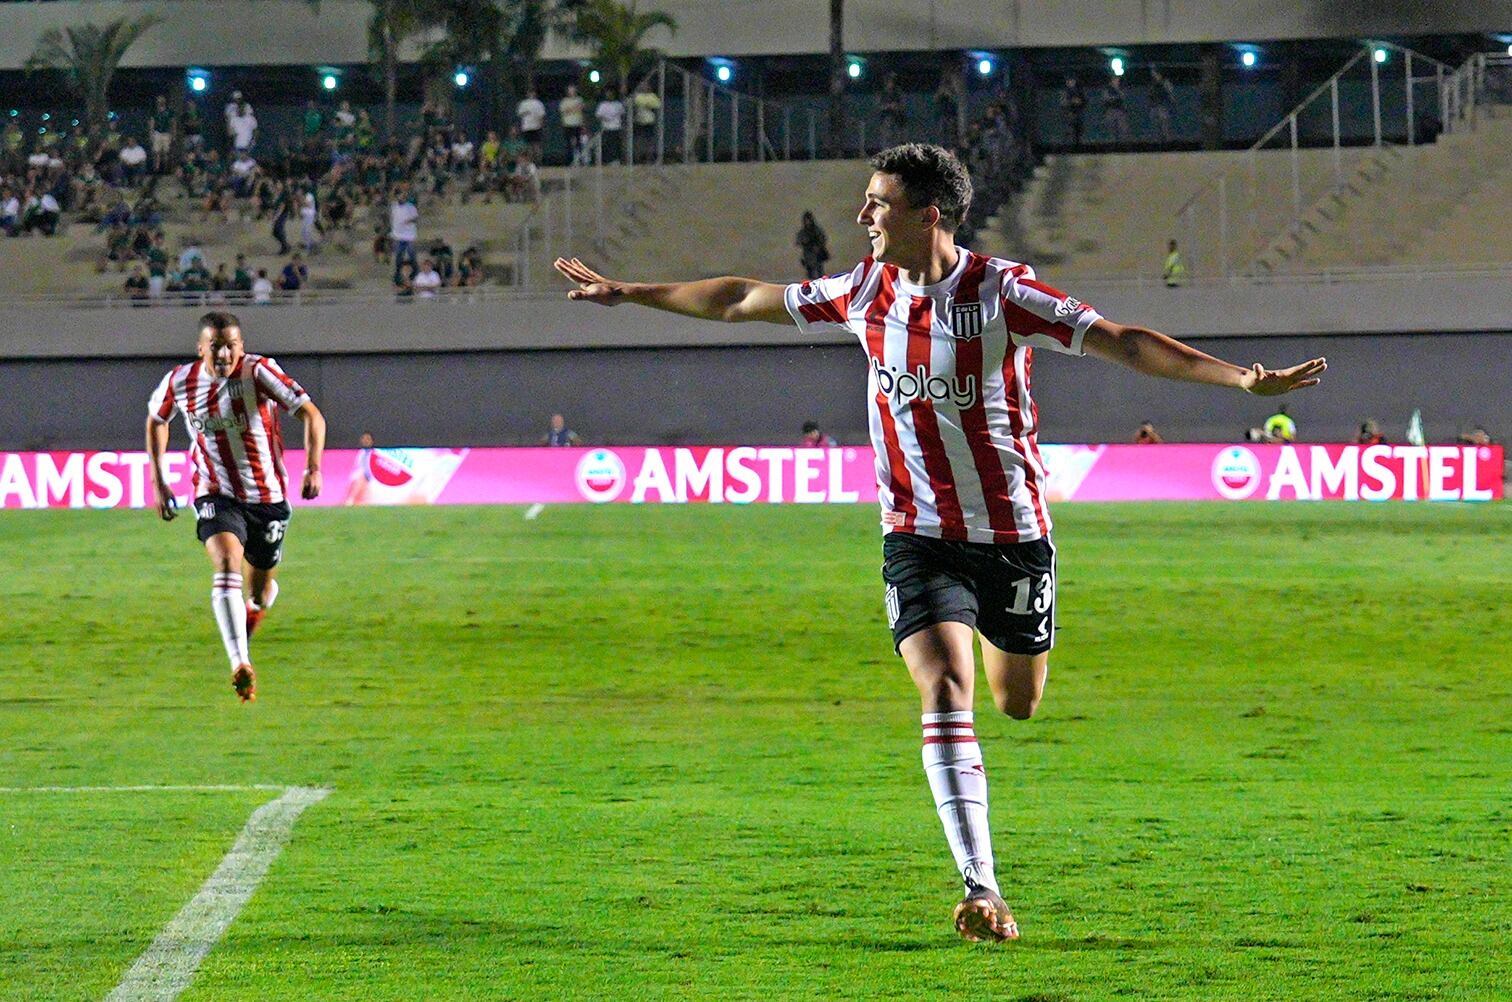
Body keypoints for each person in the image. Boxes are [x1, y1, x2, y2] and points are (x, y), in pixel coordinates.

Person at [552, 142, 1326, 944]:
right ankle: (981, 884)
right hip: (916, 534)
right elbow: (742, 297)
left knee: (1017, 703)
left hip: (1014, 536)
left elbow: (1124, 341)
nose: (862, 217)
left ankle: (991, 794)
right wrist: (632, 291)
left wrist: (1241, 380)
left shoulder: (1005, 294)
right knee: (945, 690)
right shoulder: (861, 290)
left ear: (928, 215)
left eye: (877, 204)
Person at [146, 311, 326, 702]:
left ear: (241, 347)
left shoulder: (260, 373)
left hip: (267, 499)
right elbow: (157, 420)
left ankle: (256, 607)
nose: (225, 354)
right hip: (215, 492)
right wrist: (159, 481)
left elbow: (311, 414)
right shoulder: (180, 381)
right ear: (201, 349)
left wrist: (313, 467)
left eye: (231, 346)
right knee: (227, 561)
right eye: (216, 347)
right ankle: (240, 663)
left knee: (260, 589)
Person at [389, 184, 419, 284]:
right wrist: (395, 189)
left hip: (409, 235)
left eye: (403, 196)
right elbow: (391, 196)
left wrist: (408, 221)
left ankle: (415, 273)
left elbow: (415, 218)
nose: (402, 197)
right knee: (399, 257)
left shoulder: (411, 207)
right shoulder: (394, 206)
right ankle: (398, 276)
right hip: (398, 235)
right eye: (400, 195)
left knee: (411, 255)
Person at [595, 87, 626, 164]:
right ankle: (608, 160)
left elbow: (623, 114)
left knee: (616, 145)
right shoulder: (602, 105)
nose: (609, 95)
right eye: (608, 94)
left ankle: (616, 160)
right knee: (607, 145)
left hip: (616, 127)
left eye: (611, 94)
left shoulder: (618, 104)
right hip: (606, 128)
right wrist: (606, 118)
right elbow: (598, 115)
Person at [796, 211, 830, 280]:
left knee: (819, 272)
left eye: (808, 220)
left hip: (817, 255)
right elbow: (799, 241)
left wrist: (818, 246)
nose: (808, 222)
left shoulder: (816, 230)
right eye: (806, 220)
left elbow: (822, 239)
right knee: (810, 273)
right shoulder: (803, 232)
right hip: (808, 255)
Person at [559, 83, 587, 164]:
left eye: (573, 90)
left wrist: (583, 124)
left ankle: (581, 160)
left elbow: (582, 111)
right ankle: (569, 160)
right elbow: (564, 111)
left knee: (579, 143)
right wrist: (575, 108)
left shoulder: (579, 99)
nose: (572, 92)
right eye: (570, 90)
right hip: (567, 124)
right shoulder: (564, 101)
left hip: (577, 124)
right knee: (568, 143)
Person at [517, 87, 546, 162]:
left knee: (537, 145)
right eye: (530, 93)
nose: (531, 94)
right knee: (528, 145)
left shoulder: (539, 103)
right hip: (526, 127)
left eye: (532, 93)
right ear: (527, 94)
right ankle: (530, 161)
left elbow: (542, 115)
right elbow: (520, 114)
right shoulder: (523, 103)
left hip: (536, 127)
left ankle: (538, 161)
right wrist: (526, 112)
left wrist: (541, 125)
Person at [1061, 77, 1087, 146]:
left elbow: (1084, 101)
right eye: (1069, 81)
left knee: (1078, 131)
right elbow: (1063, 103)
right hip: (1069, 113)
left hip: (1078, 113)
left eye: (1072, 81)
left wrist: (1079, 101)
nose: (1071, 83)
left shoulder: (1079, 91)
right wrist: (1072, 101)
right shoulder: (1065, 92)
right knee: (1069, 131)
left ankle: (1078, 145)